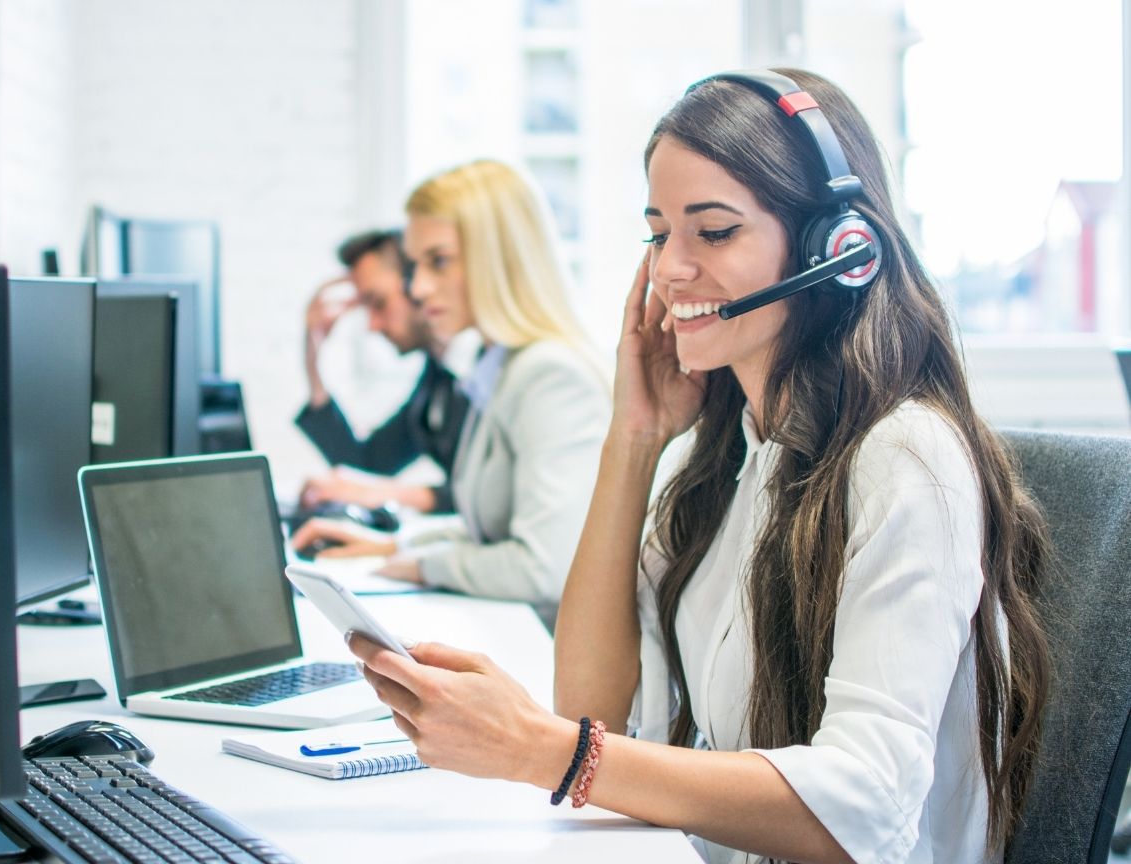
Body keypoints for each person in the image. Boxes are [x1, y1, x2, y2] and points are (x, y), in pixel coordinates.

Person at [342, 69, 1052, 864]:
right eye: (657, 233)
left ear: (838, 250)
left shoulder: (904, 460)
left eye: (712, 232)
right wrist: (633, 441)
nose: (670, 269)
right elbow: (593, 710)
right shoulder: (729, 457)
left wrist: (542, 750)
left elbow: (865, 806)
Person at [291, 160, 611, 615]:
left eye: (437, 262)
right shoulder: (496, 365)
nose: (418, 288)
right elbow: (485, 531)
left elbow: (543, 568)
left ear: (498, 258)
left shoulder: (549, 375)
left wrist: (414, 564)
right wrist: (392, 547)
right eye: (417, 265)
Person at [295, 229, 472, 514]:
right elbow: (366, 466)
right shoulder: (437, 380)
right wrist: (313, 364)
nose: (373, 325)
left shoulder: (485, 370)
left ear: (417, 287)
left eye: (378, 303)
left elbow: (495, 501)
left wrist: (391, 493)